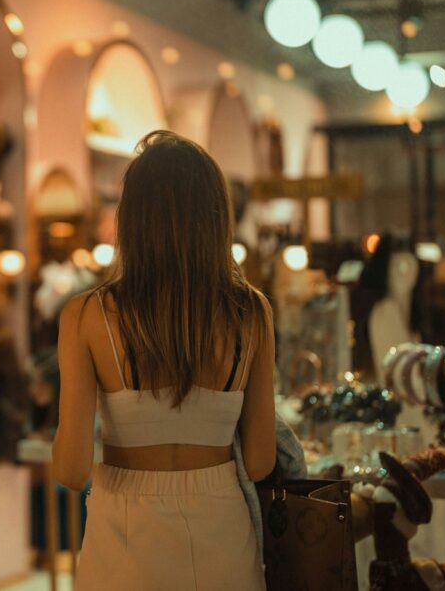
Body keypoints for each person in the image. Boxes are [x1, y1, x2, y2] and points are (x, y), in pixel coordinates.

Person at [53, 131, 275, 590]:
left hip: (124, 537)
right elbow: (258, 461)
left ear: (132, 217)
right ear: (216, 217)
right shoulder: (251, 312)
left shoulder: (87, 316)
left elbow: (72, 471)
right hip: (222, 530)